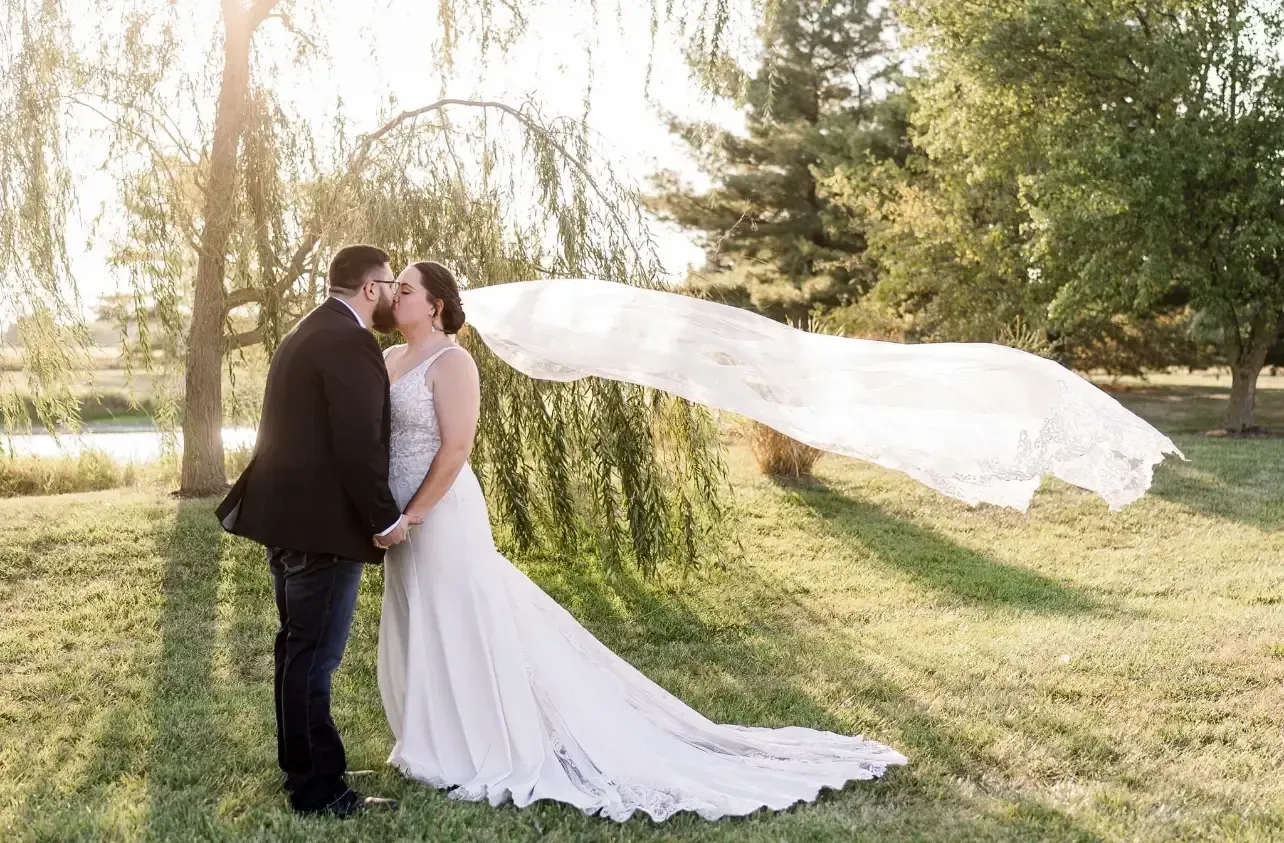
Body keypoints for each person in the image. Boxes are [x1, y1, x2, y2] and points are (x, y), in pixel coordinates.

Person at [375, 261, 907, 822]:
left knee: (457, 615)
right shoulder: (388, 359)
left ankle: (477, 741)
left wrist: (413, 513)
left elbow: (456, 449)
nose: (395, 297)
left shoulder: (453, 362)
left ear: (435, 305)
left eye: (405, 290)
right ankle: (431, 736)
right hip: (397, 516)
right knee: (417, 614)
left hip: (439, 511)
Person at [216, 245, 409, 817]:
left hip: (291, 522)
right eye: (390, 283)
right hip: (322, 530)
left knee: (297, 651)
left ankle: (303, 766)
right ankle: (318, 791)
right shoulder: (350, 342)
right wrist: (385, 518)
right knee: (314, 658)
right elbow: (357, 445)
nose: (394, 294)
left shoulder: (309, 330)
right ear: (369, 288)